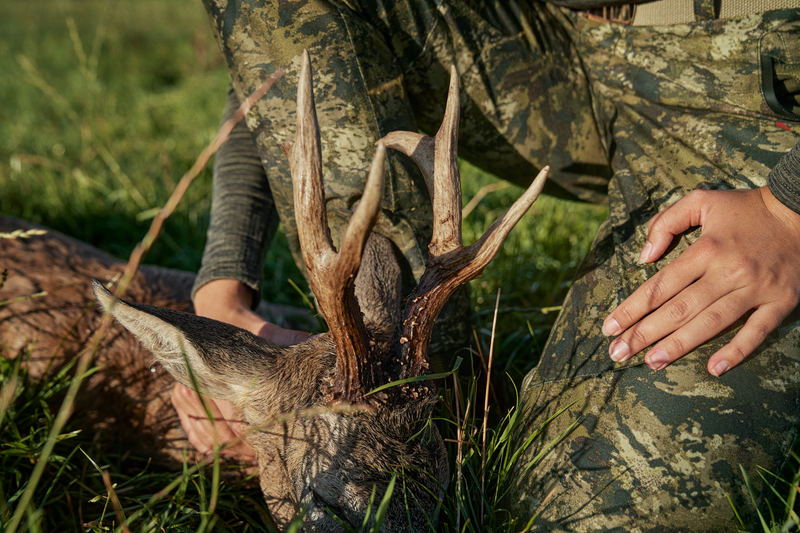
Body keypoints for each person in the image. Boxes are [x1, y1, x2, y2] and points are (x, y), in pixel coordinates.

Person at [175, 0, 800, 529]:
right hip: (576, 47)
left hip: (767, 91)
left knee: (576, 513)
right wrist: (222, 295)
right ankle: (422, 393)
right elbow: (279, 56)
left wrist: (787, 209)